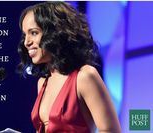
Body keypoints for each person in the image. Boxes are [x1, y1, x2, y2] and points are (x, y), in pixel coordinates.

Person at [17, 2, 121, 133]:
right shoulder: (42, 83)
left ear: (55, 33)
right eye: (25, 35)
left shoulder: (85, 76)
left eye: (33, 33)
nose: (26, 42)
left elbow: (111, 130)